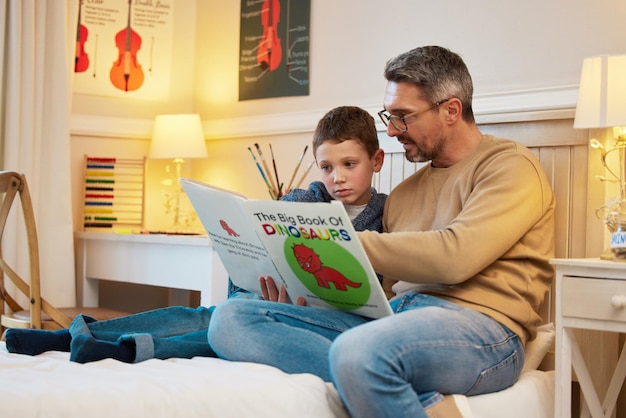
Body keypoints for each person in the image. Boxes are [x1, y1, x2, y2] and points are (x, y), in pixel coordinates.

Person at [207, 45, 556, 418]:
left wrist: (338, 240)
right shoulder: (405, 194)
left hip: (484, 332)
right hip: (397, 319)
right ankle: (417, 401)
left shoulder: (510, 167)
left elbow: (456, 258)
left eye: (402, 117)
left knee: (359, 350)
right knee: (232, 320)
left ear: (451, 110)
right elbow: (385, 292)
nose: (391, 131)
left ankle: (363, 367)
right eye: (389, 116)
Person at [4, 105, 387, 364]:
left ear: (377, 160)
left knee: (221, 327)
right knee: (206, 315)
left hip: (316, 321)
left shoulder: (386, 215)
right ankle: (70, 337)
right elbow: (254, 263)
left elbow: (375, 293)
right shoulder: (302, 201)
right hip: (264, 302)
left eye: (349, 164)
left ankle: (121, 349)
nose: (336, 177)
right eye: (326, 167)